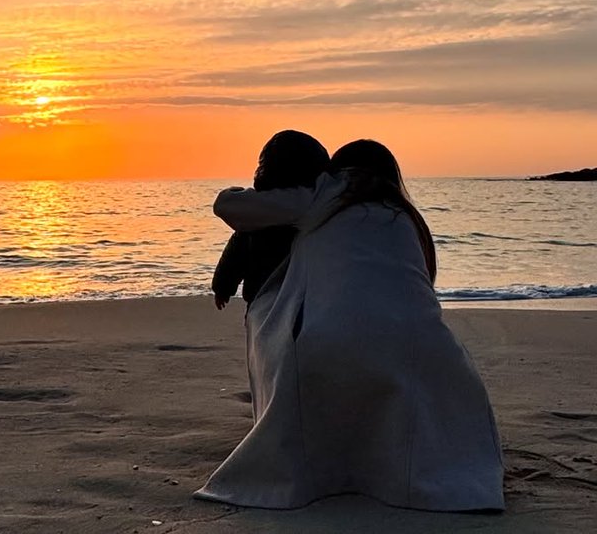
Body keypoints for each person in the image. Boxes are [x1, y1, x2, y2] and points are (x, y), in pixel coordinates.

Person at [197, 139, 504, 513]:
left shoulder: (325, 195)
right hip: (425, 344)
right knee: (448, 383)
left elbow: (229, 207)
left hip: (327, 342)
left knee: (311, 341)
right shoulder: (406, 216)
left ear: (338, 170)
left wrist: (251, 191)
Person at [211, 130, 329, 309]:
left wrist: (222, 287)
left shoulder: (257, 217)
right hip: (305, 299)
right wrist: (222, 286)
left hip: (262, 298)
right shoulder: (320, 210)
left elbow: (235, 255)